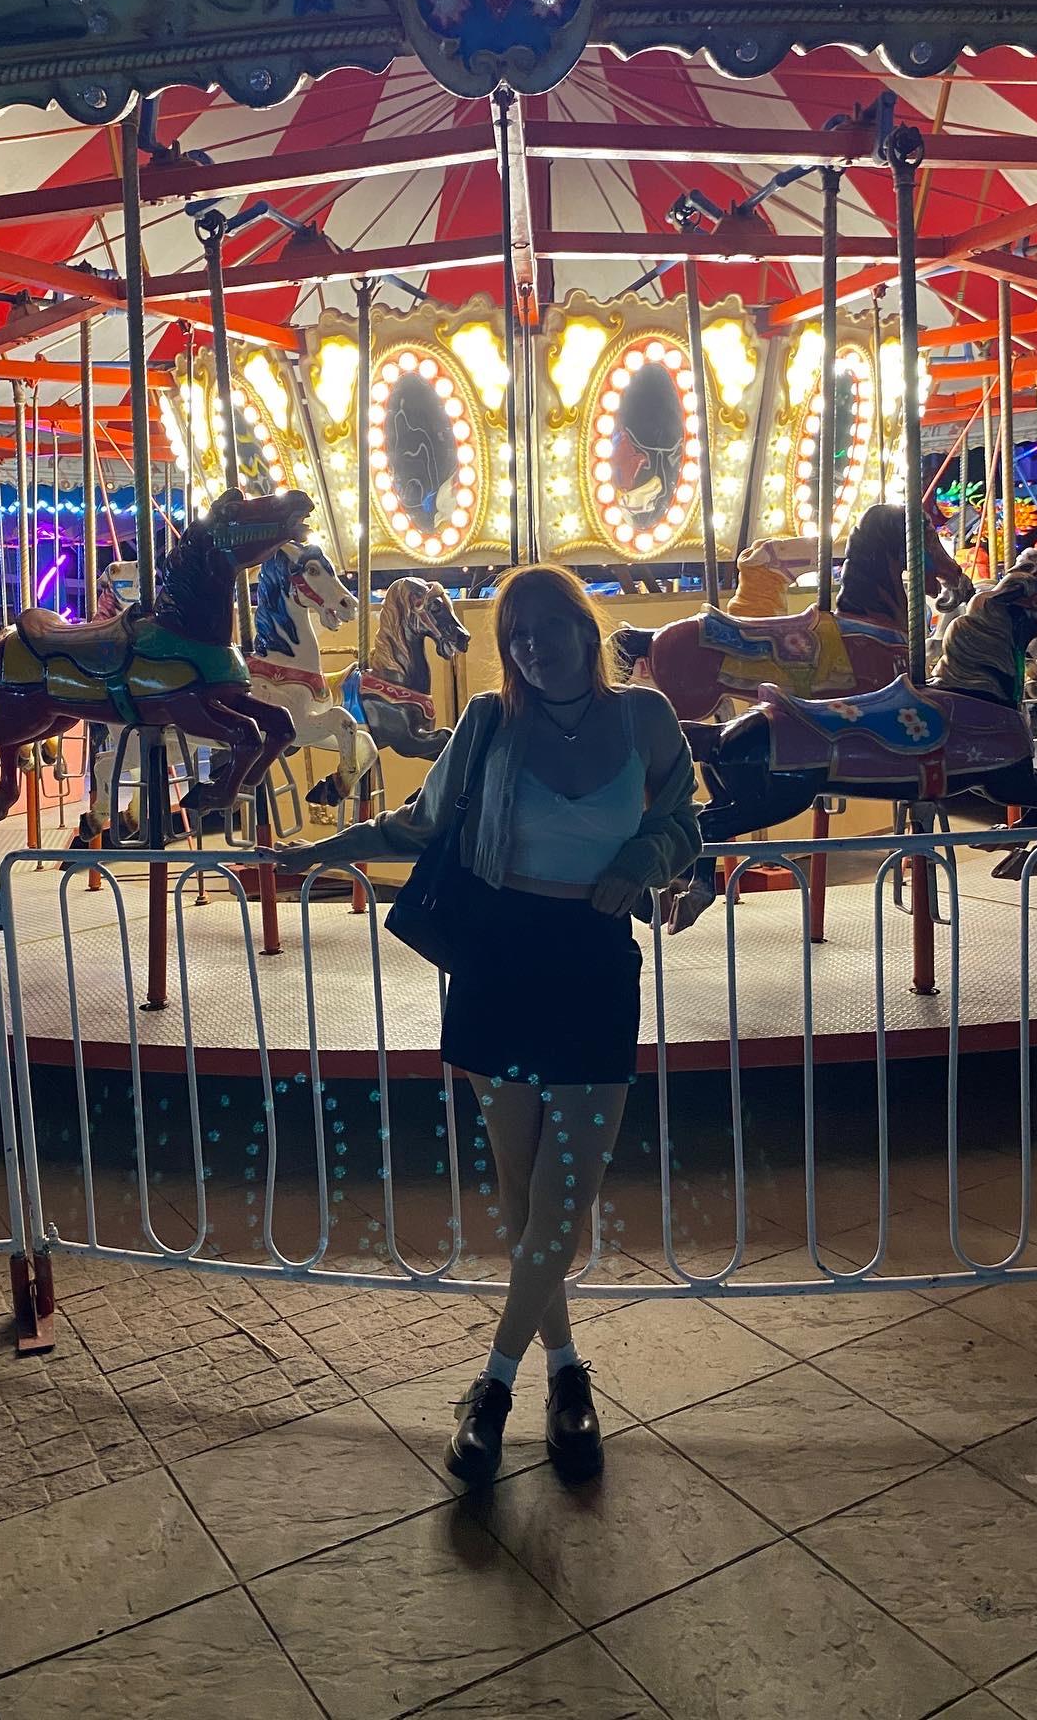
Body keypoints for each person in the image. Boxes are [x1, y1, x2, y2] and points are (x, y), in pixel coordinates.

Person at [273, 563, 700, 1483]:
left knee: (565, 1195)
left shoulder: (645, 718)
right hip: (499, 963)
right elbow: (420, 823)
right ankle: (567, 1374)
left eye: (549, 626)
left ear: (585, 627)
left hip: (592, 962)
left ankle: (493, 1386)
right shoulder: (489, 722)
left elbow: (681, 821)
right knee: (524, 1188)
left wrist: (645, 858)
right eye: (517, 635)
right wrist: (327, 849)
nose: (534, 647)